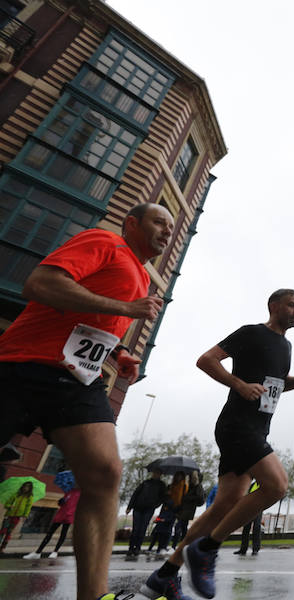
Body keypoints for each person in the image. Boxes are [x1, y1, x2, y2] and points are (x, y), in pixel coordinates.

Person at [0, 202, 173, 600]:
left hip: (77, 378)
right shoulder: (106, 242)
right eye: (158, 222)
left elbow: (90, 325)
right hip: (22, 366)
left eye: (170, 225)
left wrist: (118, 353)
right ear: (132, 224)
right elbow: (40, 284)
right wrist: (126, 308)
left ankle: (94, 596)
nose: (167, 230)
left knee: (105, 472)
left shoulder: (140, 275)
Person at [141, 289, 294, 600]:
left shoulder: (286, 346)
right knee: (277, 486)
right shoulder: (251, 333)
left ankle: (163, 577)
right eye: (292, 305)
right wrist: (238, 384)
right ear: (274, 306)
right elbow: (206, 360)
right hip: (237, 426)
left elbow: (277, 386)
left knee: (224, 506)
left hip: (257, 430)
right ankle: (207, 549)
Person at [23, 485, 81, 559]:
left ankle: (55, 552)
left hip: (69, 516)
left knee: (63, 534)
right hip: (61, 514)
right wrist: (60, 501)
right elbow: (63, 503)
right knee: (49, 533)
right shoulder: (69, 491)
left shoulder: (81, 494)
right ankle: (38, 552)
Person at [126, 468, 168, 559]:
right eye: (154, 472)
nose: (155, 474)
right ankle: (131, 548)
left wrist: (155, 505)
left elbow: (163, 498)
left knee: (142, 528)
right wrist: (129, 507)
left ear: (160, 474)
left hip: (149, 509)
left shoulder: (161, 485)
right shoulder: (145, 483)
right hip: (138, 507)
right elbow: (135, 494)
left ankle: (137, 547)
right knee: (136, 528)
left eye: (157, 473)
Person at [0, 481, 35, 552]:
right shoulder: (16, 494)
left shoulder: (30, 497)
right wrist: (10, 506)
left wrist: (25, 515)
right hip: (9, 515)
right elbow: (7, 504)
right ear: (23, 486)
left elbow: (28, 507)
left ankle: (2, 548)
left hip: (17, 517)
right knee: (2, 531)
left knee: (9, 532)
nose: (26, 488)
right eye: (25, 486)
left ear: (30, 488)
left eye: (28, 487)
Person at [173, 471, 205, 548]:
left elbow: (199, 497)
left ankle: (175, 546)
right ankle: (184, 544)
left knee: (178, 526)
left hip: (189, 510)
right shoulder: (187, 485)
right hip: (183, 509)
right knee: (183, 527)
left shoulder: (198, 486)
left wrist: (188, 498)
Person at [234, 481, 262, 556]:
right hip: (248, 508)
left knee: (256, 528)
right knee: (246, 528)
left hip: (258, 508)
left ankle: (255, 549)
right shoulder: (252, 485)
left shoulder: (264, 484)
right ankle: (243, 549)